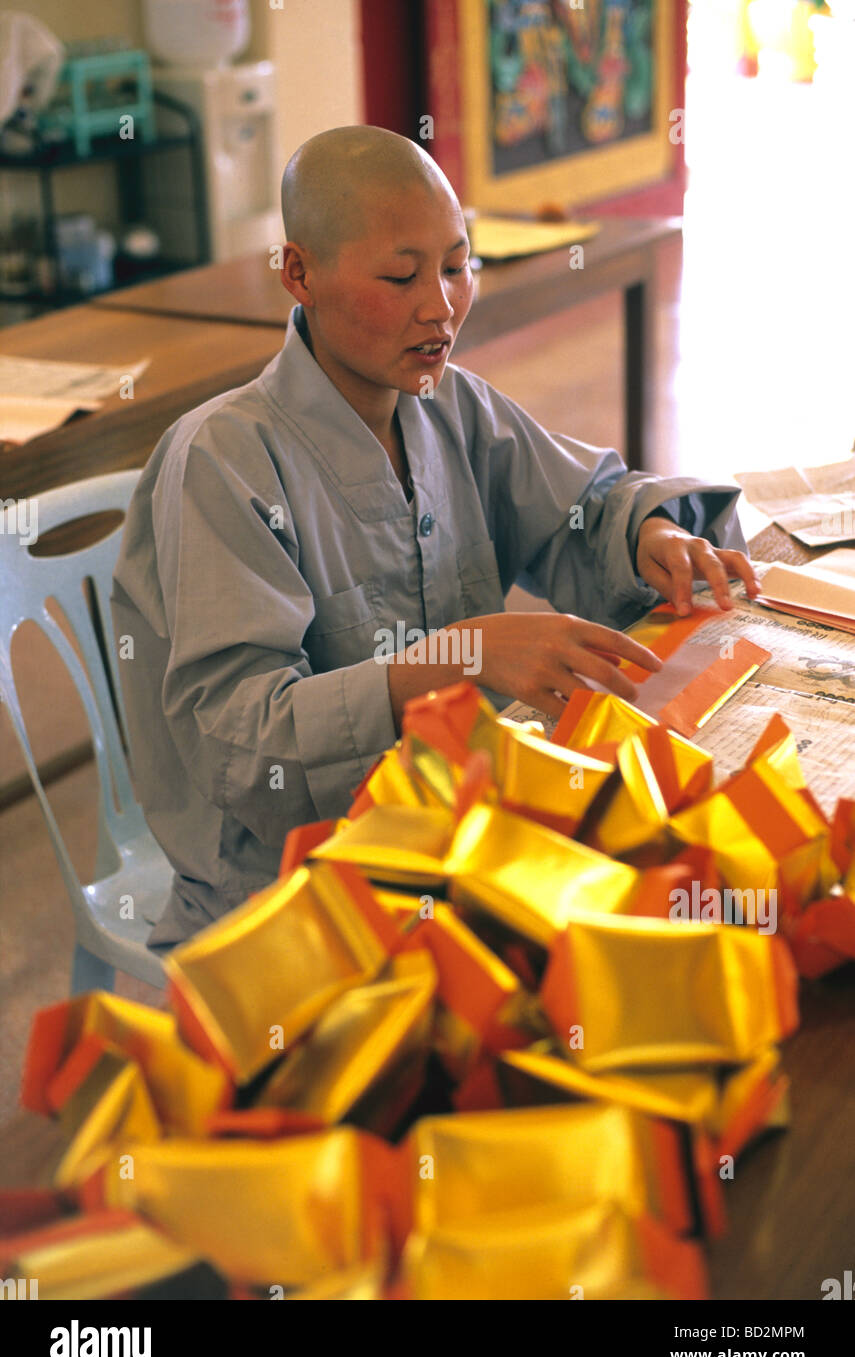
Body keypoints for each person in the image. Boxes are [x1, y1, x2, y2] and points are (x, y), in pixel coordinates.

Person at [111, 125, 760, 949]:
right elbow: (239, 746)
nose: (440, 306)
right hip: (293, 892)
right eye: (400, 275)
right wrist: (449, 660)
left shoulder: (451, 405)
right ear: (298, 273)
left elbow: (585, 506)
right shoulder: (223, 461)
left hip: (464, 825)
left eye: (456, 267)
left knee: (707, 890)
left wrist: (647, 532)